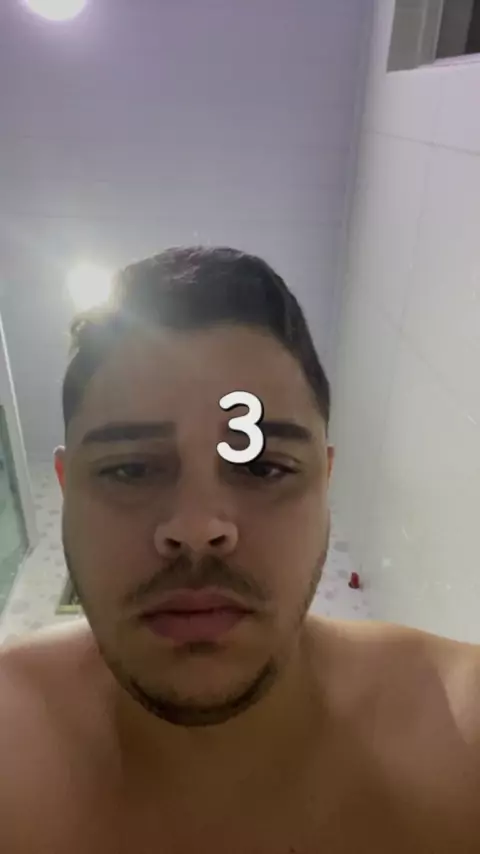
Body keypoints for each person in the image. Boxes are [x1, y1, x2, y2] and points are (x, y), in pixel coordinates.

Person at [0, 246, 479, 853]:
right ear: (67, 489)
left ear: (325, 482)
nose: (197, 527)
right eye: (129, 470)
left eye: (262, 467)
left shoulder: (462, 736)